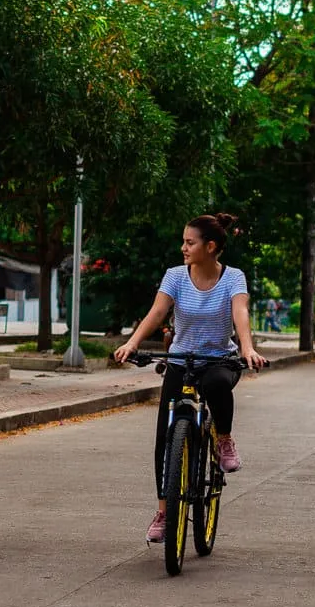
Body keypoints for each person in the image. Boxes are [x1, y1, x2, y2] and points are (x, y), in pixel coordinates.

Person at [112, 213, 267, 544]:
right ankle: (165, 511)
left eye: (190, 242)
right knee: (165, 437)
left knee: (215, 385)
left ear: (210, 247)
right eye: (183, 241)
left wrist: (248, 347)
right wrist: (132, 343)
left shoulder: (233, 278)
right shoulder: (175, 276)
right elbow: (157, 312)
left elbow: (241, 312)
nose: (183, 247)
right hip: (180, 360)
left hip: (219, 360)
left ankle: (223, 439)